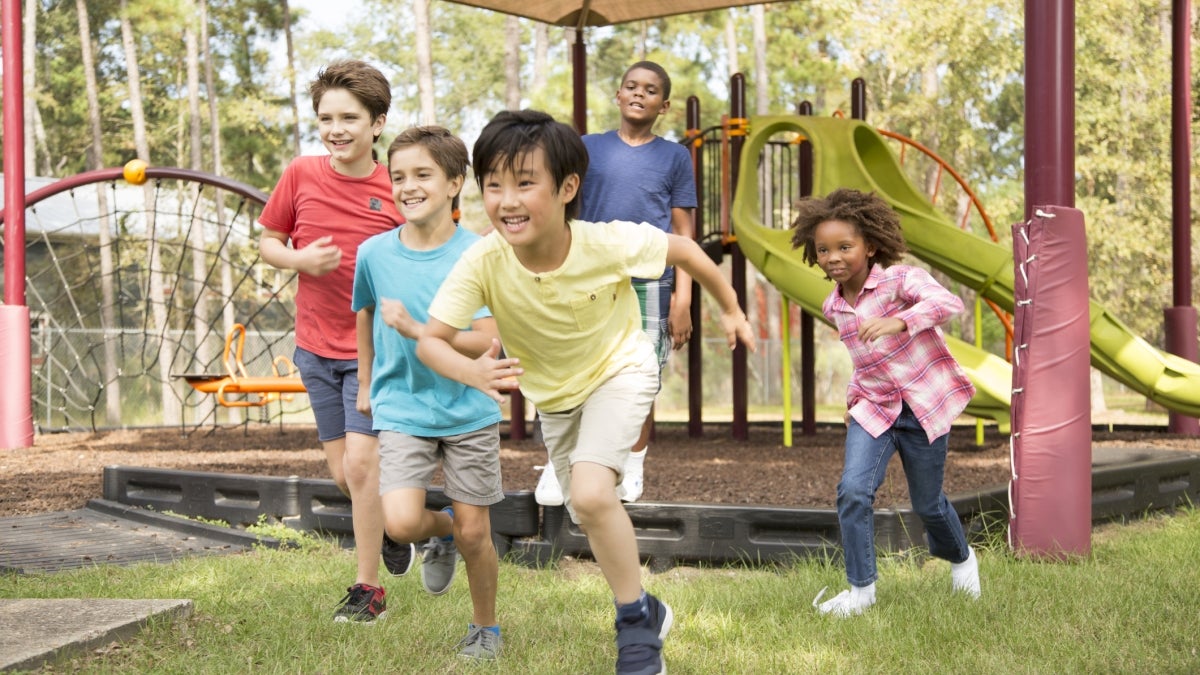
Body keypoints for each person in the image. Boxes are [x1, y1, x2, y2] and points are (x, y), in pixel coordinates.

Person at [417, 109, 755, 675]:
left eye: (525, 183)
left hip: (622, 369)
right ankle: (649, 606)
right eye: (494, 184)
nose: (507, 200)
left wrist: (731, 309)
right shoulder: (484, 259)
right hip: (556, 398)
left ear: (568, 187)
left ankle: (636, 635)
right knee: (585, 509)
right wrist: (470, 370)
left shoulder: (607, 242)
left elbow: (690, 252)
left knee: (594, 493)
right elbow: (433, 342)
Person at [258, 59, 413, 624]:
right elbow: (270, 240)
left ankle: (367, 589)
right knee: (344, 474)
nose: (336, 128)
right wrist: (299, 258)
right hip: (315, 346)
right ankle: (399, 531)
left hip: (376, 353)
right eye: (326, 118)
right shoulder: (300, 173)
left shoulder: (398, 185)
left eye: (350, 117)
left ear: (378, 124)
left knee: (363, 466)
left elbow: (429, 249)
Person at [788, 188, 982, 618]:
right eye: (823, 249)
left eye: (844, 246)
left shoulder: (899, 280)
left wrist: (901, 320)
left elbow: (949, 303)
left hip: (921, 406)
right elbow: (862, 360)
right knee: (853, 492)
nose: (833, 257)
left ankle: (963, 559)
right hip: (874, 408)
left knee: (927, 504)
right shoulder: (834, 306)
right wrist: (854, 398)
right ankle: (861, 590)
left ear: (869, 246)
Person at [351, 125, 505, 659]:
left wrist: (420, 330)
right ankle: (439, 535)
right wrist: (366, 382)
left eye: (423, 175)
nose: (407, 186)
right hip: (402, 406)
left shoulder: (480, 253)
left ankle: (486, 628)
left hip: (469, 408)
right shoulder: (373, 253)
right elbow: (366, 314)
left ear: (454, 183)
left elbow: (486, 341)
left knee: (477, 533)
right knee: (399, 521)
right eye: (398, 176)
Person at [533, 60, 697, 507]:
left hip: (649, 281)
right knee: (573, 368)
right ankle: (560, 462)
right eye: (631, 86)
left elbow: (684, 234)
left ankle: (633, 464)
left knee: (640, 377)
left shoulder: (675, 157)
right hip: (588, 279)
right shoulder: (588, 148)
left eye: (650, 90)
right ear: (618, 96)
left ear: (663, 105)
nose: (639, 93)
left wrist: (683, 298)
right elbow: (558, 204)